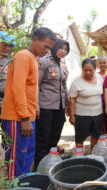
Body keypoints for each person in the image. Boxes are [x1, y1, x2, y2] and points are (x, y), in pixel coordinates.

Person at [1, 27, 56, 178]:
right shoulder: (23, 56)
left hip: (27, 116)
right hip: (17, 117)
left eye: (49, 48)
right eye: (46, 46)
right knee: (16, 159)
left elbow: (30, 87)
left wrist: (33, 109)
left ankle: (25, 183)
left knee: (26, 155)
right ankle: (15, 186)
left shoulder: (33, 58)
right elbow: (18, 88)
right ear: (35, 39)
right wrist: (24, 117)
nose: (47, 51)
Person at [34, 39, 70, 170]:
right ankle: (38, 167)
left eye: (65, 49)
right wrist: (36, 104)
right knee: (43, 138)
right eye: (60, 48)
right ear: (54, 48)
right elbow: (36, 85)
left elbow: (64, 86)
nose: (63, 51)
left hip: (59, 107)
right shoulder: (43, 62)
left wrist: (67, 104)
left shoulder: (63, 65)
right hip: (45, 107)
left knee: (55, 137)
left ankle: (51, 166)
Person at [69, 58, 103, 152]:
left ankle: (92, 154)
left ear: (95, 69)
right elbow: (72, 99)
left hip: (97, 113)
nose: (88, 72)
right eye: (85, 70)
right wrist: (72, 116)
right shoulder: (76, 81)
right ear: (82, 69)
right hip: (81, 115)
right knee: (80, 138)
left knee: (96, 135)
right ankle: (79, 156)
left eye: (90, 70)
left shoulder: (99, 78)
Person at [0, 31, 16, 163]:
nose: (8, 48)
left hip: (9, 104)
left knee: (8, 134)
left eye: (11, 46)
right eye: (5, 45)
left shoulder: (15, 60)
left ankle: (7, 160)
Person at [97, 55, 107, 135]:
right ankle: (100, 141)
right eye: (100, 63)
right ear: (98, 64)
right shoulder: (95, 75)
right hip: (98, 102)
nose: (102, 64)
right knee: (100, 123)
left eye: (104, 62)